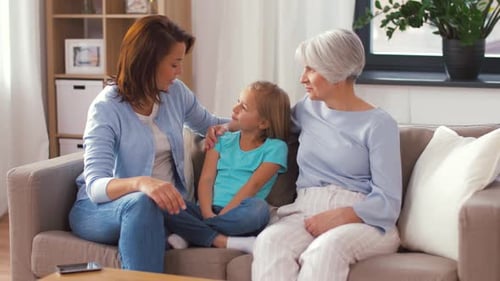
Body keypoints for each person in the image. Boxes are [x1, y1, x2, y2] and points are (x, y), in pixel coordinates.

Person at [68, 15, 229, 273]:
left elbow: (211, 125)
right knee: (144, 202)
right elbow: (96, 186)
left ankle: (175, 233)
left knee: (226, 214)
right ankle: (175, 235)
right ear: (148, 63)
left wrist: (264, 117)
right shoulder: (106, 108)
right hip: (101, 209)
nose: (179, 72)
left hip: (164, 206)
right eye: (174, 64)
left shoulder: (176, 93)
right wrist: (142, 183)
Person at [251, 29, 402, 281]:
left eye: (311, 69)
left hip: (365, 221)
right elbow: (263, 124)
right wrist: (221, 128)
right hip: (305, 211)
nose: (302, 78)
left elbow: (388, 201)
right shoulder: (306, 110)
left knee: (325, 250)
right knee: (269, 242)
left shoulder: (379, 124)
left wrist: (342, 215)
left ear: (336, 73)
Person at [166, 81, 291, 253]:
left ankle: (191, 232)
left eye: (244, 107)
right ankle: (222, 239)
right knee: (165, 204)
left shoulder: (276, 148)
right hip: (207, 209)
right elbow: (206, 179)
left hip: (240, 213)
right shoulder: (221, 140)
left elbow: (252, 186)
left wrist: (223, 215)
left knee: (259, 210)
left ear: (263, 123)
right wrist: (207, 212)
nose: (235, 108)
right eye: (237, 100)